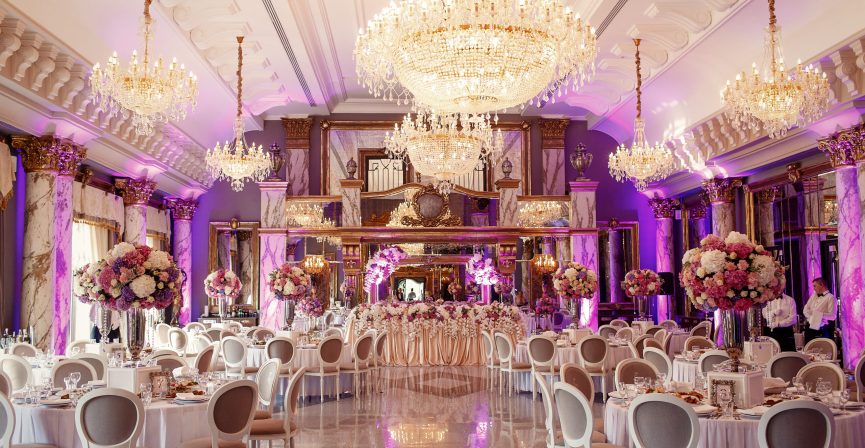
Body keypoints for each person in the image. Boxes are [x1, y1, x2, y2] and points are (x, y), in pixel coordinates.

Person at [803, 277, 837, 342]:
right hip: (809, 328)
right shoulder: (814, 296)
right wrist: (811, 318)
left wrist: (817, 314)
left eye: (815, 286)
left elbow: (833, 316)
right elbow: (805, 309)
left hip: (821, 329)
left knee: (821, 350)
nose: (814, 288)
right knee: (808, 349)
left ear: (821, 285)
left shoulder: (831, 298)